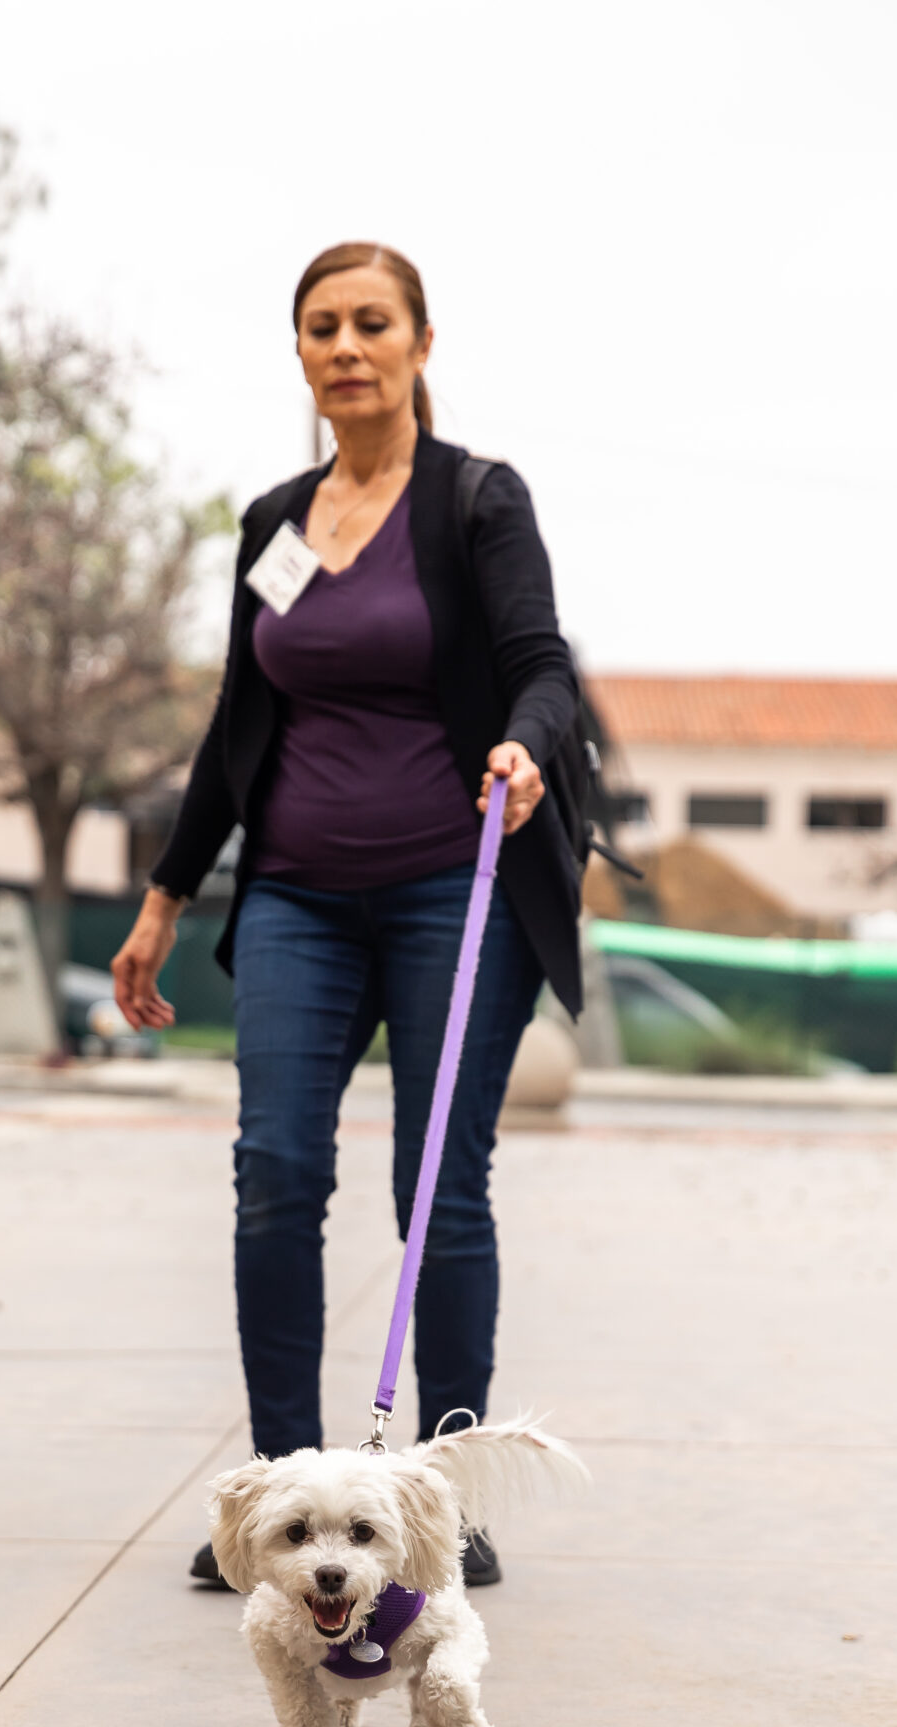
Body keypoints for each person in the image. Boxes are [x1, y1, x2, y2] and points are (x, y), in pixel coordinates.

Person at [111, 241, 583, 1590]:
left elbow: (541, 665)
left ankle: (435, 1509)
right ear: (302, 353)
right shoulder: (272, 523)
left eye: (372, 323)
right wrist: (164, 898)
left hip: (454, 890)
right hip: (298, 901)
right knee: (275, 1178)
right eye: (322, 327)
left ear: (420, 342)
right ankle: (277, 1512)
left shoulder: (479, 504)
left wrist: (528, 744)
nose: (346, 347)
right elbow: (233, 727)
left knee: (438, 1193)